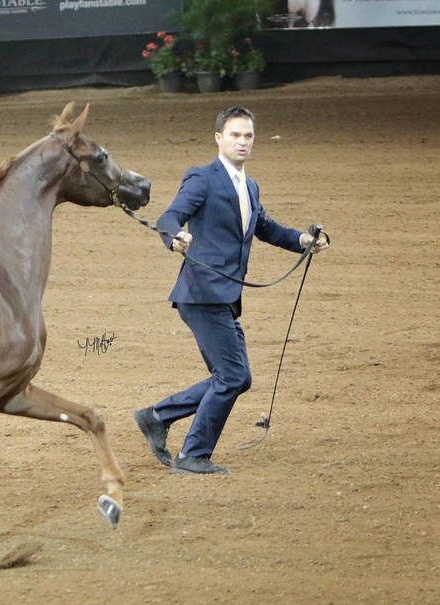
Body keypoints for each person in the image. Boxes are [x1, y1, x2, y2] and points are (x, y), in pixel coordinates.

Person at [134, 106, 329, 474]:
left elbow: (265, 227)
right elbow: (169, 217)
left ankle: (157, 416)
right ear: (219, 138)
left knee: (237, 377)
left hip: (224, 297)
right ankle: (193, 455)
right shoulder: (202, 178)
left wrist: (303, 239)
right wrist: (174, 236)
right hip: (202, 293)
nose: (243, 141)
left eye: (248, 136)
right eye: (235, 135)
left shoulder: (249, 185)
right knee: (232, 376)